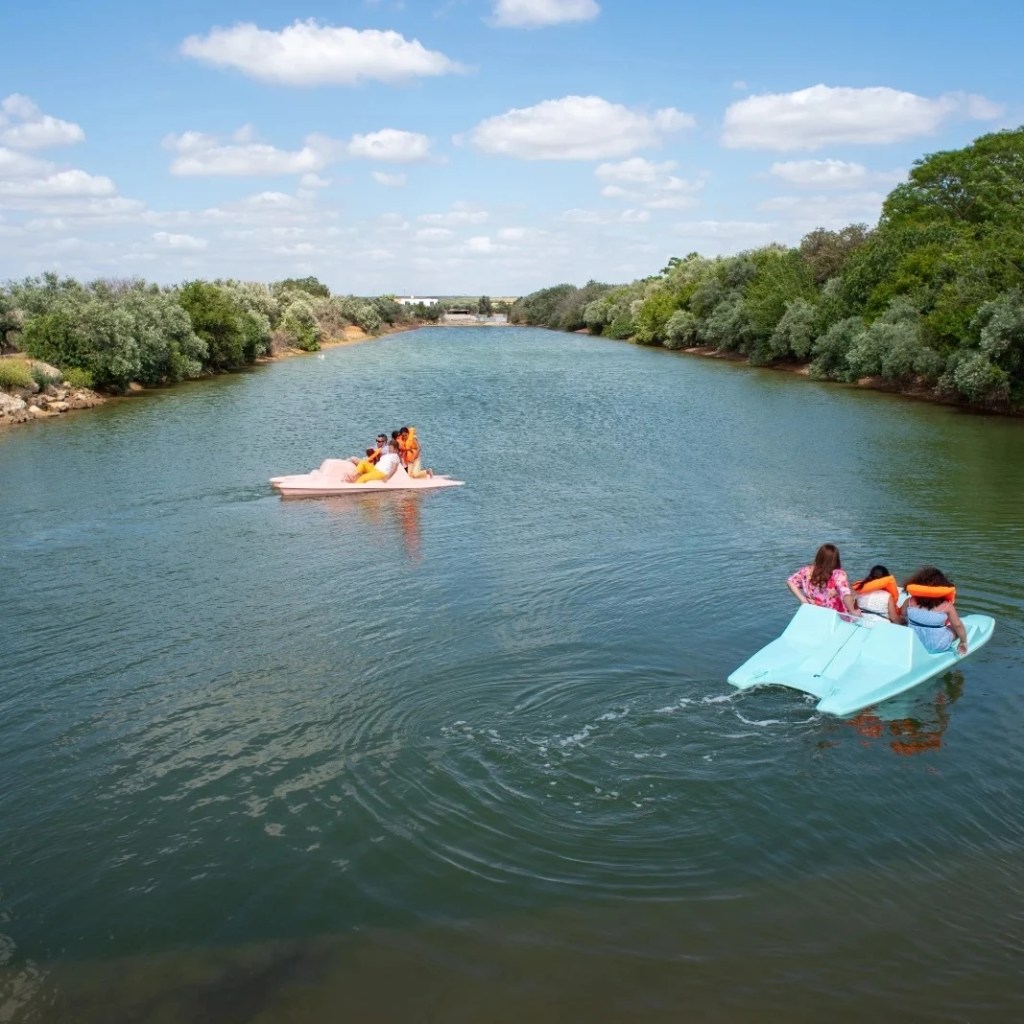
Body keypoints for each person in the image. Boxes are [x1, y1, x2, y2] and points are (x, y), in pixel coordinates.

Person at [901, 567, 968, 654]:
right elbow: (958, 625)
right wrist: (963, 641)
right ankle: (962, 642)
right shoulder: (947, 606)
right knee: (956, 628)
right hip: (938, 646)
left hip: (914, 643)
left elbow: (902, 613)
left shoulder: (910, 601)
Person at [786, 543, 860, 615]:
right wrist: (853, 611)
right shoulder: (838, 574)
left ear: (819, 557)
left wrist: (803, 599)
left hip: (812, 612)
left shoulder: (807, 571)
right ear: (836, 559)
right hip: (834, 614)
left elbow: (790, 581)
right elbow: (845, 595)